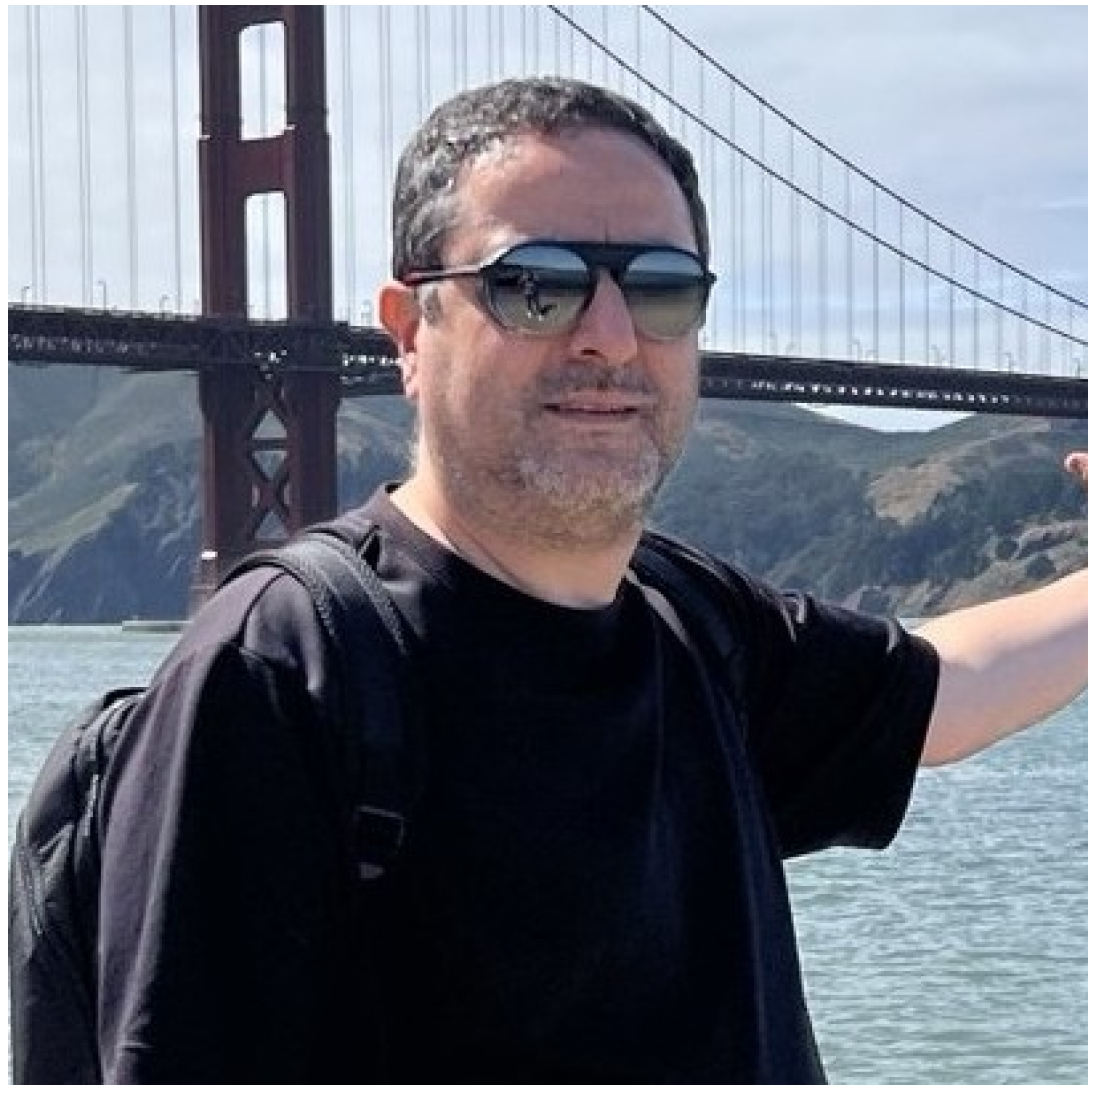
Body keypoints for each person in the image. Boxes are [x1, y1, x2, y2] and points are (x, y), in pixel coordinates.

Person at [82, 76, 1088, 1084]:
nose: (610, 333)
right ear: (408, 331)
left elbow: (944, 689)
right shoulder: (281, 672)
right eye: (535, 284)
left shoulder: (695, 621)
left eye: (660, 287)